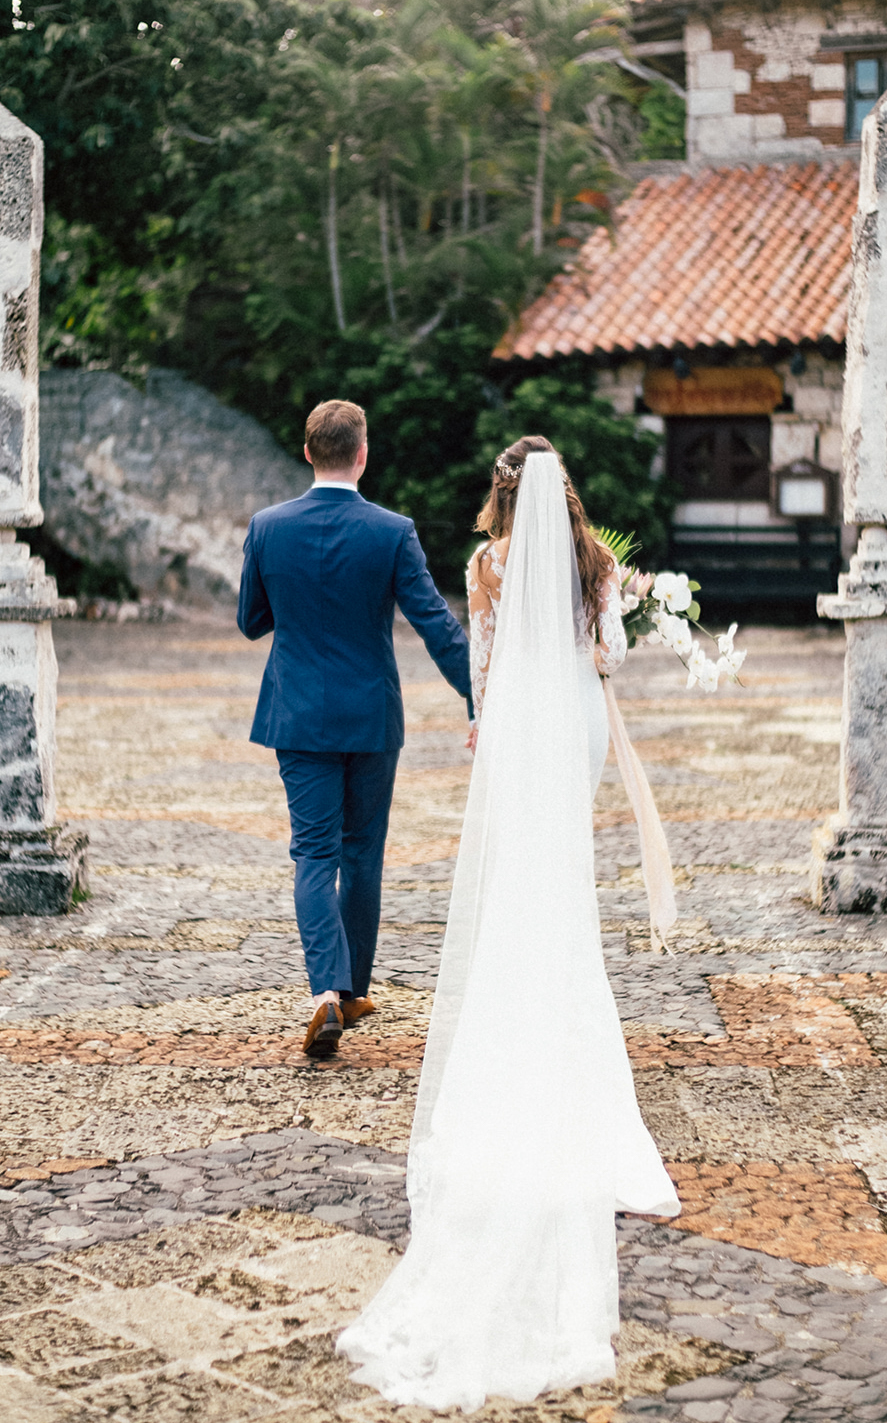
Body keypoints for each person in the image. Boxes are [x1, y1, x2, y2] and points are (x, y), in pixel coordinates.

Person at [337, 436, 680, 1410]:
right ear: (565, 495)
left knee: (519, 867)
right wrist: (611, 624)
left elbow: (482, 664)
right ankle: (567, 1019)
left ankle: (512, 1013)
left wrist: (484, 728)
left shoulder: (485, 565)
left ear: (496, 495)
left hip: (518, 721)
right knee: (562, 872)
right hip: (570, 716)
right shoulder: (594, 563)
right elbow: (606, 654)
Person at [237, 400, 473, 1058]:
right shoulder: (392, 531)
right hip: (370, 716)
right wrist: (478, 697)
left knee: (313, 855)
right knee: (362, 855)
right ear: (361, 455)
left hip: (298, 714)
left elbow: (251, 620)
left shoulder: (266, 527)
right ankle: (348, 991)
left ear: (308, 452)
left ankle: (325, 992)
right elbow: (435, 625)